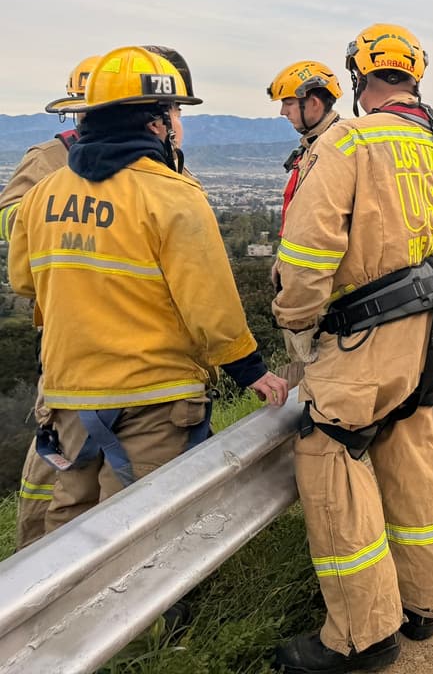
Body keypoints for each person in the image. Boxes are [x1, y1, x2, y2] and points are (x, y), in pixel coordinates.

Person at [272, 23, 433, 674]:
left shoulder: (351, 140)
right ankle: (420, 604)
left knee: (328, 447)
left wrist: (298, 323)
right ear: (415, 76)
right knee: (418, 449)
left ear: (357, 79)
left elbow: (307, 252)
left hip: (366, 335)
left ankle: (362, 633)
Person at [7, 46, 288, 539]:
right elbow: (211, 308)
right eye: (174, 112)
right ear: (155, 124)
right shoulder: (174, 195)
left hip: (70, 395)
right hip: (153, 398)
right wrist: (251, 370)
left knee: (66, 533)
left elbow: (26, 283)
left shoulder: (43, 195)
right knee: (138, 540)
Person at [1, 54, 97, 549]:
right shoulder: (48, 159)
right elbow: (10, 221)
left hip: (120, 336)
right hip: (64, 332)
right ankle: (33, 562)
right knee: (54, 459)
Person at [267, 60, 343, 232]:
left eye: (288, 103)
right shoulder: (315, 144)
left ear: (314, 103)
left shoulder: (333, 149)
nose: (283, 112)